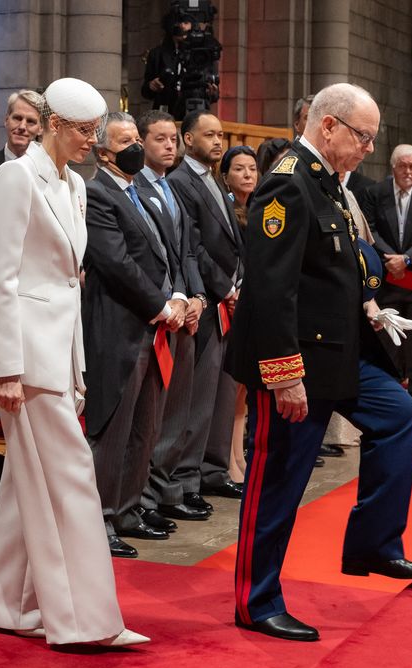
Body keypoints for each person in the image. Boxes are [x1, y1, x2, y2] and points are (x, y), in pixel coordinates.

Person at [226, 82, 412, 643]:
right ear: (328, 127)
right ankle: (256, 599)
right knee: (279, 480)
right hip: (296, 360)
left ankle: (375, 542)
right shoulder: (288, 184)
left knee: (399, 416)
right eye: (363, 137)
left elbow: (335, 267)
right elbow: (272, 291)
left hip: (339, 351)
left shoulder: (327, 184)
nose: (369, 148)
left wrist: (367, 300)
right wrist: (284, 373)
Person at [0, 77, 148, 647]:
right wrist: (5, 367)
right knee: (72, 478)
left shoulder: (75, 183)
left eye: (96, 132)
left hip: (58, 353)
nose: (92, 142)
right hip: (24, 353)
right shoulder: (14, 175)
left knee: (27, 489)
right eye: (82, 131)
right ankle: (86, 621)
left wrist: (76, 366)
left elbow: (70, 284)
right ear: (51, 123)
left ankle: (9, 606)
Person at [83, 111, 182, 558]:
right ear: (104, 151)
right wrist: (161, 305)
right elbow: (116, 263)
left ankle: (127, 509)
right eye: (126, 141)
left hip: (154, 323)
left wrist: (179, 294)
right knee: (115, 427)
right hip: (120, 325)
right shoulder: (97, 193)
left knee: (146, 424)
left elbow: (165, 252)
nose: (136, 146)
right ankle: (99, 518)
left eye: (136, 138)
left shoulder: (138, 188)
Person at [166, 109, 244, 512]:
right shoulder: (181, 181)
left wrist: (240, 279)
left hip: (225, 298)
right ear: (188, 139)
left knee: (222, 391)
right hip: (208, 298)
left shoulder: (214, 179)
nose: (218, 141)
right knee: (196, 397)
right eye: (209, 134)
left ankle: (214, 470)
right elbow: (193, 246)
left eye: (221, 135)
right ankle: (186, 478)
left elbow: (232, 242)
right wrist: (225, 287)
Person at [133, 109, 205, 536]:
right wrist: (171, 299)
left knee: (175, 414)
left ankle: (158, 493)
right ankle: (140, 500)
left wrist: (193, 295)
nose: (169, 146)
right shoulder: (136, 186)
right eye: (160, 139)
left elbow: (185, 251)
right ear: (141, 142)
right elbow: (147, 258)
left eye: (173, 139)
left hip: (181, 308)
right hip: (154, 313)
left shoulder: (169, 187)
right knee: (152, 419)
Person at [360, 144, 412, 404]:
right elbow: (370, 229)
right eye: (403, 166)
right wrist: (391, 259)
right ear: (393, 166)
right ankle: (391, 386)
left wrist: (406, 259)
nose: (408, 171)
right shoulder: (375, 192)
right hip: (387, 278)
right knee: (387, 336)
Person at [220, 145, 258, 487]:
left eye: (252, 169)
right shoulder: (228, 211)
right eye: (239, 169)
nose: (247, 175)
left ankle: (239, 455)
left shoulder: (260, 210)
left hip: (252, 301)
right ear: (226, 175)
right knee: (231, 388)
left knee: (244, 389)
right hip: (230, 301)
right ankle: (228, 459)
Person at [0, 90, 43, 171]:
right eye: (17, 118)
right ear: (6, 120)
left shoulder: (47, 169)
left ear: (41, 129)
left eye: (30, 121)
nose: (22, 127)